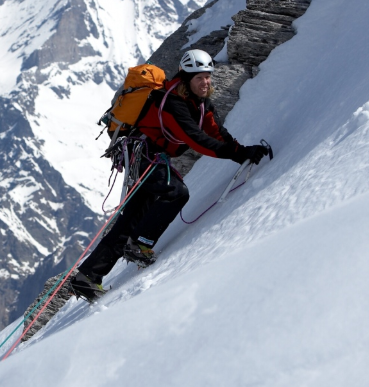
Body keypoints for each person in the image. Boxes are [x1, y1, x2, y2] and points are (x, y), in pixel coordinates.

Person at [70, 48, 270, 301]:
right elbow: (196, 140)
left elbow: (216, 132)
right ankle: (139, 245)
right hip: (142, 152)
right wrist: (239, 155)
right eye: (199, 77)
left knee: (135, 214)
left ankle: (87, 278)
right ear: (186, 78)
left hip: (146, 153)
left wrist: (241, 150)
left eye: (207, 76)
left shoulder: (199, 102)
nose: (205, 82)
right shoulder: (172, 103)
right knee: (175, 191)